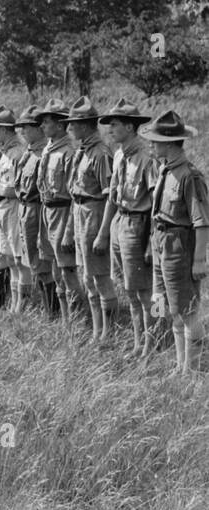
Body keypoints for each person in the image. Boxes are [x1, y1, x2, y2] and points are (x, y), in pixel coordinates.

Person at [142, 110, 209, 374]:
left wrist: (199, 261)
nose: (151, 144)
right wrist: (152, 246)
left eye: (156, 141)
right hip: (161, 245)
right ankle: (178, 363)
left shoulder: (189, 176)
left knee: (187, 310)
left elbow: (201, 221)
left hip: (179, 247)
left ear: (170, 143)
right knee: (165, 306)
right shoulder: (163, 170)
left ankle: (192, 370)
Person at [96, 99, 159, 356]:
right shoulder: (120, 155)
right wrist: (103, 232)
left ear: (131, 127)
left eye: (115, 124)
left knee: (147, 292)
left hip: (139, 225)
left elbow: (156, 205)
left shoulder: (146, 159)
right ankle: (137, 344)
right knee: (129, 291)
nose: (110, 129)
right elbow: (113, 197)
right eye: (109, 125)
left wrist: (151, 242)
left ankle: (153, 344)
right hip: (120, 223)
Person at [65, 96, 115, 342]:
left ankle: (109, 332)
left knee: (101, 277)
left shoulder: (100, 153)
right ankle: (97, 331)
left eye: (74, 123)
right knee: (88, 277)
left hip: (94, 214)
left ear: (85, 125)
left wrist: (103, 233)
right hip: (80, 213)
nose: (70, 128)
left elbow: (108, 196)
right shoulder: (83, 150)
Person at [37, 99, 85, 332]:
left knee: (67, 269)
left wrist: (69, 229)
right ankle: (65, 320)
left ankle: (79, 321)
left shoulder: (68, 152)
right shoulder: (48, 149)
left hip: (63, 211)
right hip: (48, 211)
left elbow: (74, 195)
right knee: (55, 269)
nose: (43, 126)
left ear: (59, 125)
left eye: (47, 122)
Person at [13, 106, 58, 316]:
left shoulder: (42, 154)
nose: (22, 131)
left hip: (37, 211)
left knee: (42, 264)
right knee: (31, 263)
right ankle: (47, 307)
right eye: (21, 127)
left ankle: (53, 311)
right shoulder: (29, 153)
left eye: (27, 127)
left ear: (39, 129)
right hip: (25, 210)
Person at [0, 107, 25, 309]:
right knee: (9, 258)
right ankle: (13, 304)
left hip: (12, 206)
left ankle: (21, 305)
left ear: (4, 130)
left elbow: (16, 187)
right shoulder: (4, 153)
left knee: (18, 259)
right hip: (1, 206)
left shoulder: (17, 153)